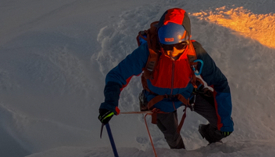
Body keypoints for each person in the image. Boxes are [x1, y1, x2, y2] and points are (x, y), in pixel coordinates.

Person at [97, 8, 233, 149]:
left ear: (186, 39)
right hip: (160, 100)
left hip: (188, 93)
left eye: (178, 46)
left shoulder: (195, 51)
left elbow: (219, 83)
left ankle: (209, 134)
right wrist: (110, 102)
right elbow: (117, 75)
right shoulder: (149, 51)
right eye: (166, 47)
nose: (172, 53)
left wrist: (225, 123)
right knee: (174, 142)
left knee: (221, 127)